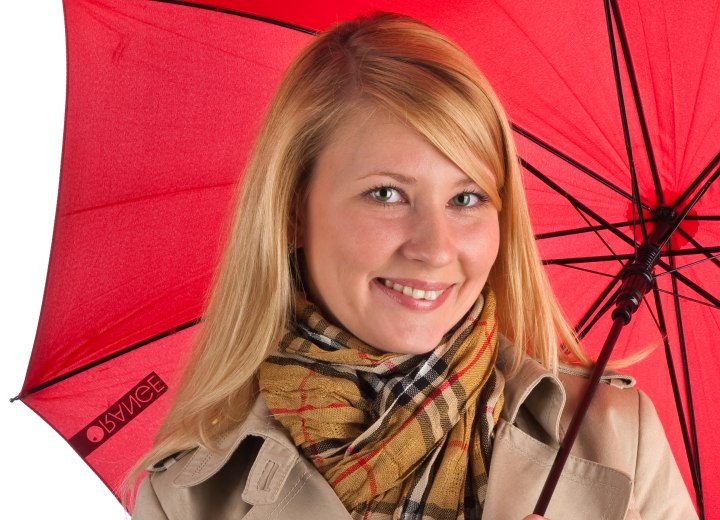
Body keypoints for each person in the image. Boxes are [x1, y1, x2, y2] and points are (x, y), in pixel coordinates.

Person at [128, 13, 696, 520]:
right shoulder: (186, 499)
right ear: (293, 212)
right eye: (386, 195)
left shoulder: (617, 437)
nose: (436, 248)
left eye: (467, 198)